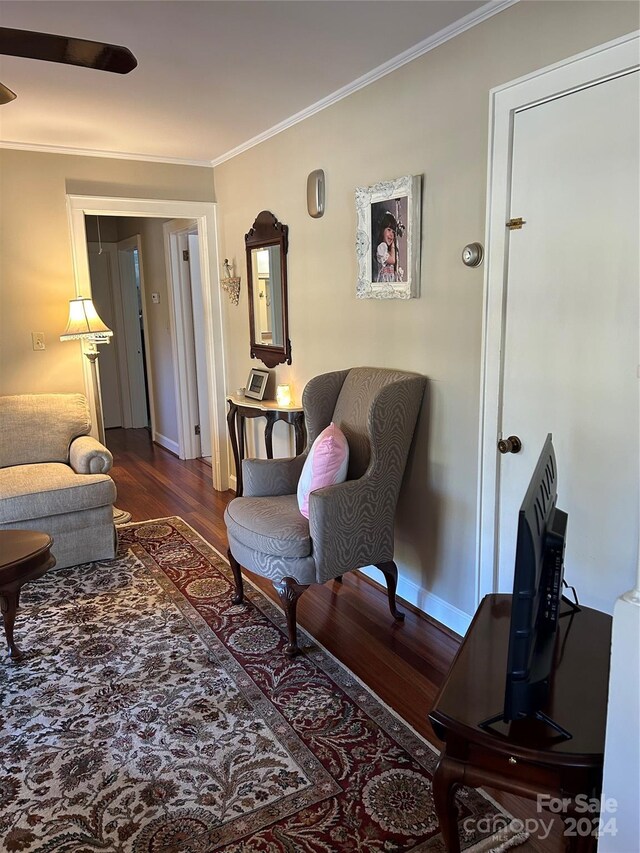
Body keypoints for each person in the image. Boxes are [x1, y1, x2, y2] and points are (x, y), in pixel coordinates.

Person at [375, 211, 403, 282]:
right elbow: (392, 260)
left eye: (393, 232)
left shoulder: (388, 251)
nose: (391, 235)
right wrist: (393, 245)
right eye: (389, 230)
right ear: (382, 231)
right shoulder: (382, 247)